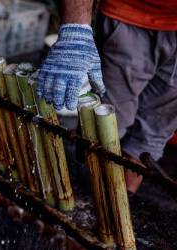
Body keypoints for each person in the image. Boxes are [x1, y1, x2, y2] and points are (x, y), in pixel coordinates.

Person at [37, 0, 177, 193]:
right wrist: (75, 27)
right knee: (102, 134)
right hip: (130, 16)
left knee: (150, 137)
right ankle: (88, 201)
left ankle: (120, 208)